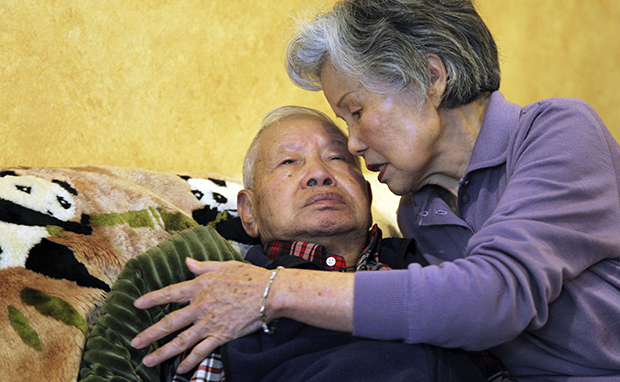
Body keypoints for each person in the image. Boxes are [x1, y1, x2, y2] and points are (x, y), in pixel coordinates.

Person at [131, 0, 620, 381]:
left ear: (431, 77)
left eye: (357, 111)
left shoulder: (558, 130)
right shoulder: (418, 211)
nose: (356, 146)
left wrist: (273, 291)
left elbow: (495, 296)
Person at [80, 106, 504, 381]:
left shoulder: (437, 262)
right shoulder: (217, 293)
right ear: (249, 211)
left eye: (338, 158)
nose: (319, 173)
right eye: (288, 162)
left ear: (367, 186)